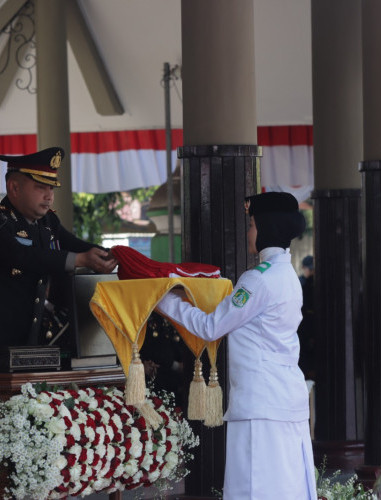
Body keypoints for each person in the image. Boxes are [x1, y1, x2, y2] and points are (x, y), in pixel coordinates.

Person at [155, 191, 317, 499]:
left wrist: (163, 300)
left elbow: (210, 326)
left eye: (253, 224)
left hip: (261, 405)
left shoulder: (257, 280)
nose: (249, 232)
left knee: (253, 490)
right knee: (288, 488)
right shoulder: (287, 275)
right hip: (284, 400)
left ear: (267, 227)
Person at [0, 147, 117, 347]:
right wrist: (80, 259)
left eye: (52, 188)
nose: (49, 196)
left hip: (29, 337)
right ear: (14, 188)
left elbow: (76, 245)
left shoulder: (48, 222)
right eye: (41, 187)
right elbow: (22, 255)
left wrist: (116, 255)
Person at [298, 254, 317, 379]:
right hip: (301, 323)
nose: (310, 272)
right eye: (308, 269)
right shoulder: (300, 283)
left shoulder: (313, 283)